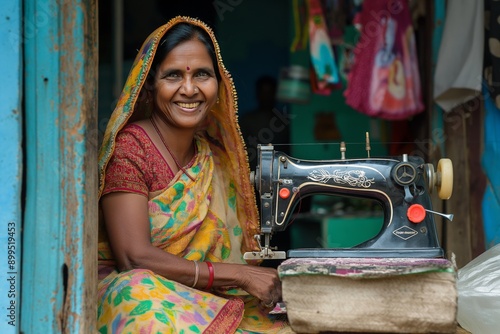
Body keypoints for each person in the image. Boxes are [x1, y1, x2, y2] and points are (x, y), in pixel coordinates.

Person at [97, 17, 292, 333]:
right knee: (135, 291)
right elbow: (132, 257)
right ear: (149, 84)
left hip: (206, 297)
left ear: (220, 83)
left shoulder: (215, 155)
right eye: (173, 75)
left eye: (202, 74)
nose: (189, 89)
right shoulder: (132, 147)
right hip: (143, 297)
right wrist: (239, 274)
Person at [239, 76, 290, 173]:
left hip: (280, 172)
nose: (266, 96)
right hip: (252, 173)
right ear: (258, 94)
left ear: (275, 93)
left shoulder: (283, 120)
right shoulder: (247, 119)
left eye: (269, 92)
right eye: (263, 92)